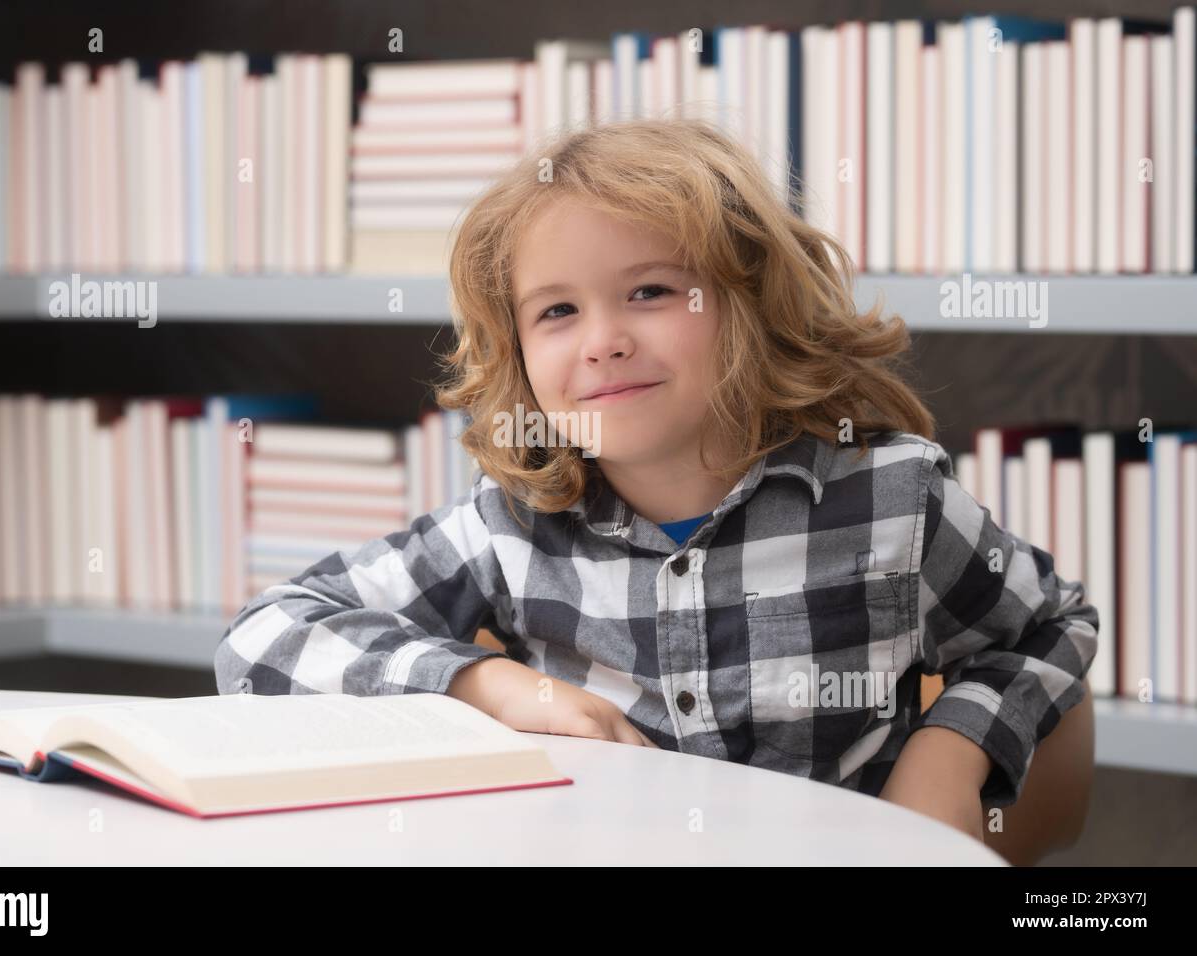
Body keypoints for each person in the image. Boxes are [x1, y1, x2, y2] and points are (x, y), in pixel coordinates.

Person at [215, 118, 1099, 861]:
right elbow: (265, 635)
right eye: (557, 311)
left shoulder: (892, 499)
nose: (601, 341)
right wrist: (485, 687)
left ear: (750, 307)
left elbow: (1052, 627)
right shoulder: (510, 523)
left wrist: (950, 748)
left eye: (649, 290)